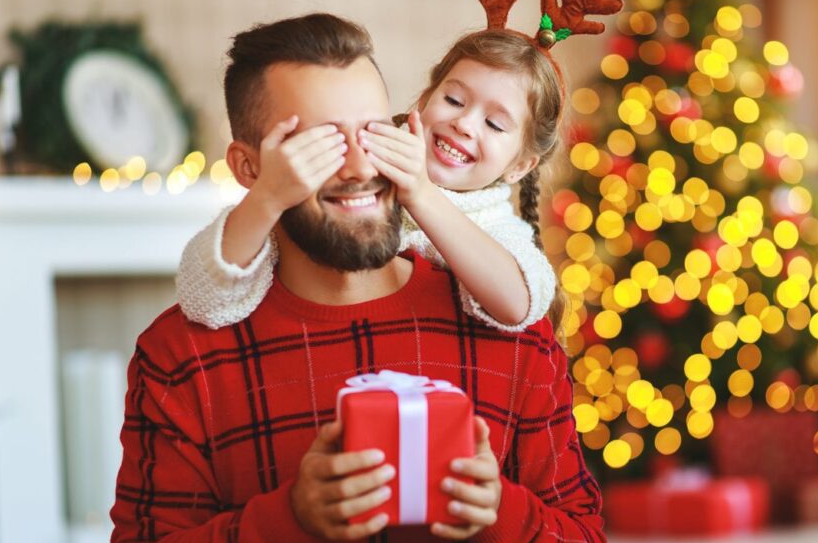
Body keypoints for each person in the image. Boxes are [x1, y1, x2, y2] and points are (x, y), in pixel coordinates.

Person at [108, 13, 605, 543]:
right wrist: (286, 521)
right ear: (249, 168)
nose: (358, 164)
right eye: (318, 145)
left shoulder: (507, 326)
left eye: (372, 131)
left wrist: (498, 516)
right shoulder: (182, 356)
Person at [175, 23, 565, 334]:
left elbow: (520, 305)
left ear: (520, 166)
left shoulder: (494, 223)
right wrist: (267, 198)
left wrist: (422, 195)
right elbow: (203, 294)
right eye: (454, 101)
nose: (464, 123)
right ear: (424, 101)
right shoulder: (357, 170)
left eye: (495, 124)